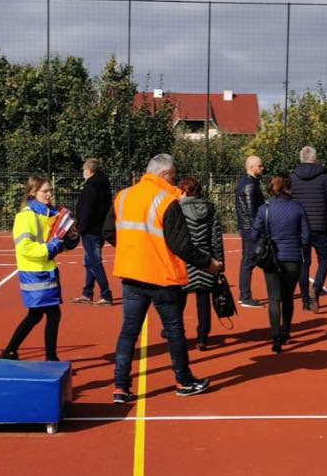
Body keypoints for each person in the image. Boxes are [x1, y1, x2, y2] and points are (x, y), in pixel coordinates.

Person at [103, 153, 222, 403]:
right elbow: (181, 245)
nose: (175, 181)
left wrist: (131, 249)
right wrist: (208, 263)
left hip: (131, 273)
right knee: (174, 330)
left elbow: (108, 231)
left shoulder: (123, 196)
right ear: (164, 174)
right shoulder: (166, 201)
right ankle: (184, 381)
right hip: (161, 276)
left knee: (129, 331)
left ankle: (120, 387)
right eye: (173, 176)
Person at [0, 175, 78, 362]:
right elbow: (25, 248)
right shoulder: (26, 216)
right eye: (45, 191)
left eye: (50, 190)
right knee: (52, 314)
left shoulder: (49, 214)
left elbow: (55, 243)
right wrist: (53, 247)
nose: (49, 194)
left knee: (36, 315)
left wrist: (70, 241)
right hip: (34, 272)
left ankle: (10, 351)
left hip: (47, 270)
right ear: (33, 193)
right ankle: (50, 358)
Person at [251, 174, 310, 353]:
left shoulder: (264, 209)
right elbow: (306, 236)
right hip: (292, 257)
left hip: (272, 258)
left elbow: (254, 233)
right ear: (288, 188)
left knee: (273, 298)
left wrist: (265, 238)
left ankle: (276, 338)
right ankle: (285, 331)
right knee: (288, 297)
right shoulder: (297, 207)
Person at [290, 145, 327, 312]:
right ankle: (316, 288)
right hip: (320, 226)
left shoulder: (292, 177)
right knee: (324, 260)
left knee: (303, 263)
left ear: (301, 158)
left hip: (299, 227)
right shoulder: (325, 178)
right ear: (314, 159)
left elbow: (288, 202)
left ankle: (305, 301)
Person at [177, 176, 225, 351]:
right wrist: (219, 263)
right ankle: (202, 337)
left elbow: (174, 236)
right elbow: (216, 239)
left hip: (184, 258)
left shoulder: (177, 209)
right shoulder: (210, 208)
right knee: (203, 299)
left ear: (183, 191)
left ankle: (176, 332)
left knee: (178, 299)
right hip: (206, 258)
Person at [72, 156, 114, 305]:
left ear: (89, 170)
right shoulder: (104, 185)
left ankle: (106, 294)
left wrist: (80, 228)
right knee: (89, 261)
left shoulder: (91, 187)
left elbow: (87, 210)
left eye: (84, 170)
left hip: (91, 229)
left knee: (94, 262)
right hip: (100, 228)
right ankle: (87, 292)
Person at [235, 153, 265, 307]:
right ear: (252, 167)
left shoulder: (247, 182)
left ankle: (244, 294)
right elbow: (251, 210)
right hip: (250, 229)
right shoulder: (249, 185)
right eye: (260, 165)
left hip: (247, 227)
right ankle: (245, 296)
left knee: (248, 260)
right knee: (249, 260)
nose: (262, 168)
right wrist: (257, 230)